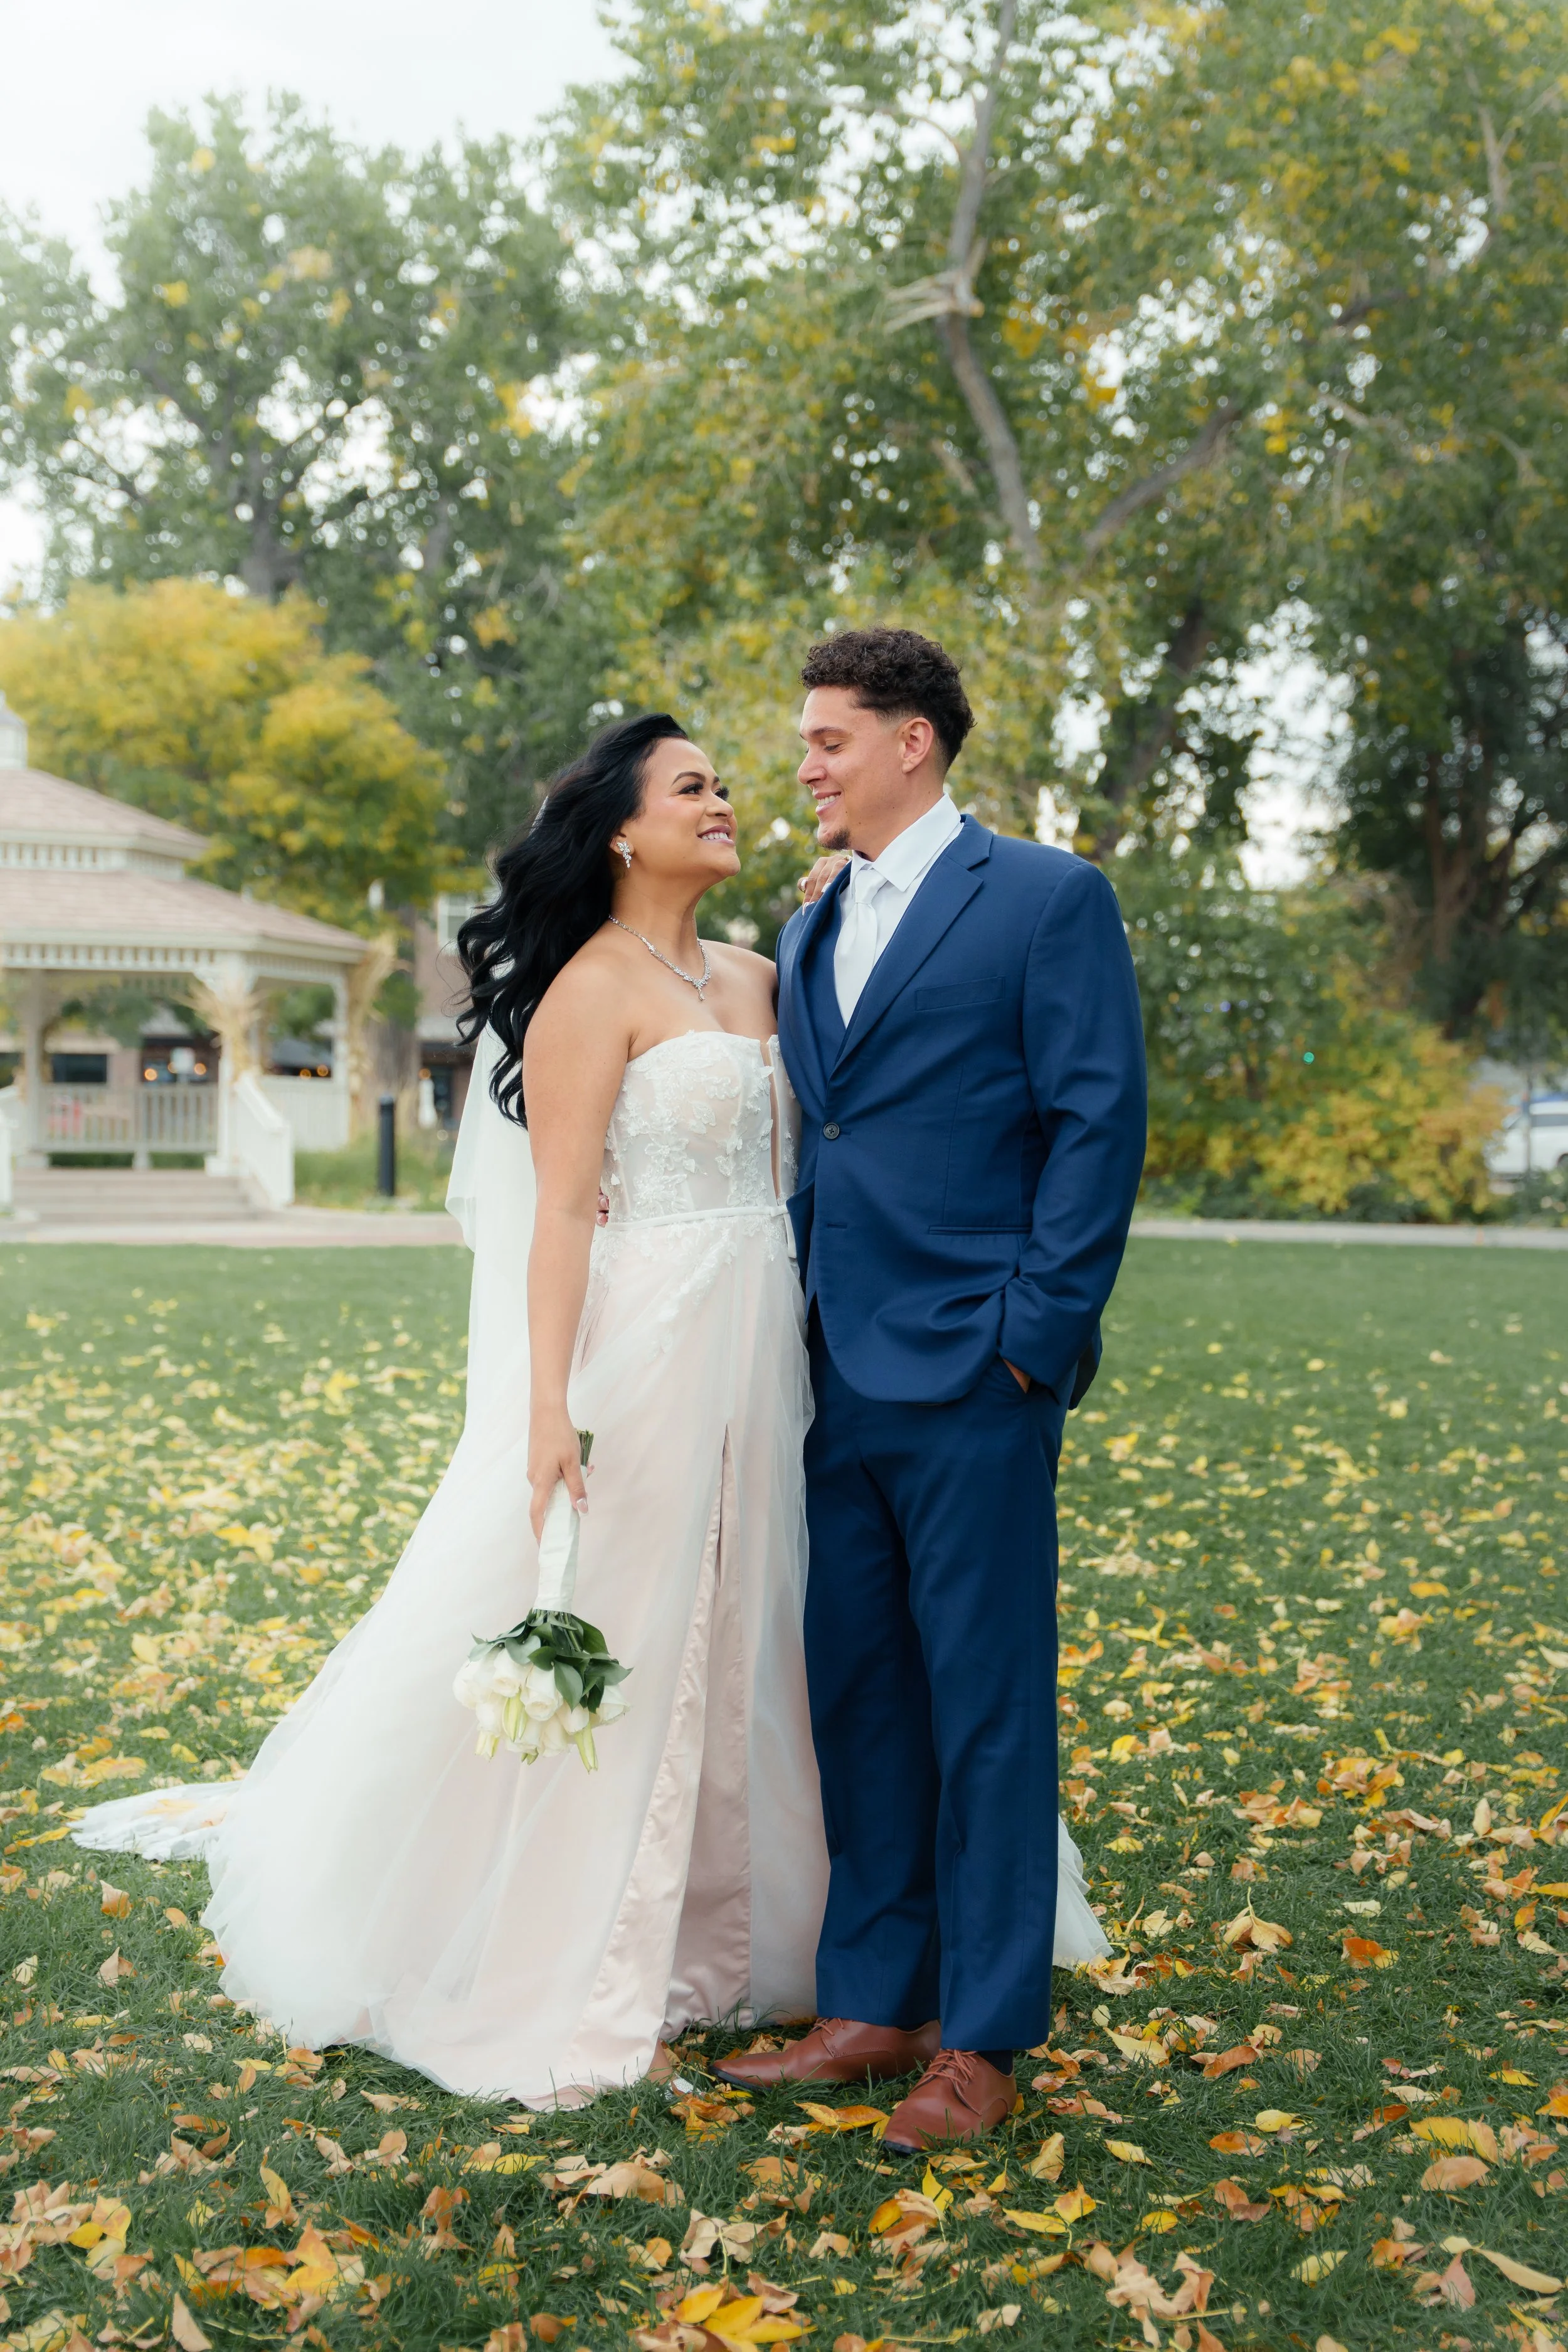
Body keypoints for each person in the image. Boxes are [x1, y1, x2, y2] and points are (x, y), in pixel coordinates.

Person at [71, 713, 830, 2107]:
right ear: (618, 828)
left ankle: (738, 1923)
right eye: (690, 788)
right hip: (645, 1340)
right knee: (633, 1625)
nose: (723, 801)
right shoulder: (590, 992)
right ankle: (582, 1949)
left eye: (723, 783)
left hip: (764, 1330)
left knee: (750, 1618)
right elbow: (556, 1218)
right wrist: (548, 1408)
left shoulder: (760, 973)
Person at [714, 629, 1145, 2152]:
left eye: (828, 738)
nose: (806, 765)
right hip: (828, 1371)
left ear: (912, 742)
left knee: (984, 1711)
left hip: (976, 1367)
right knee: (862, 1701)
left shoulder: (1042, 898)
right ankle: (871, 2004)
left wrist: (1032, 1332)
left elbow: (1093, 1126)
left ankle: (980, 2035)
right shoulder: (809, 919)